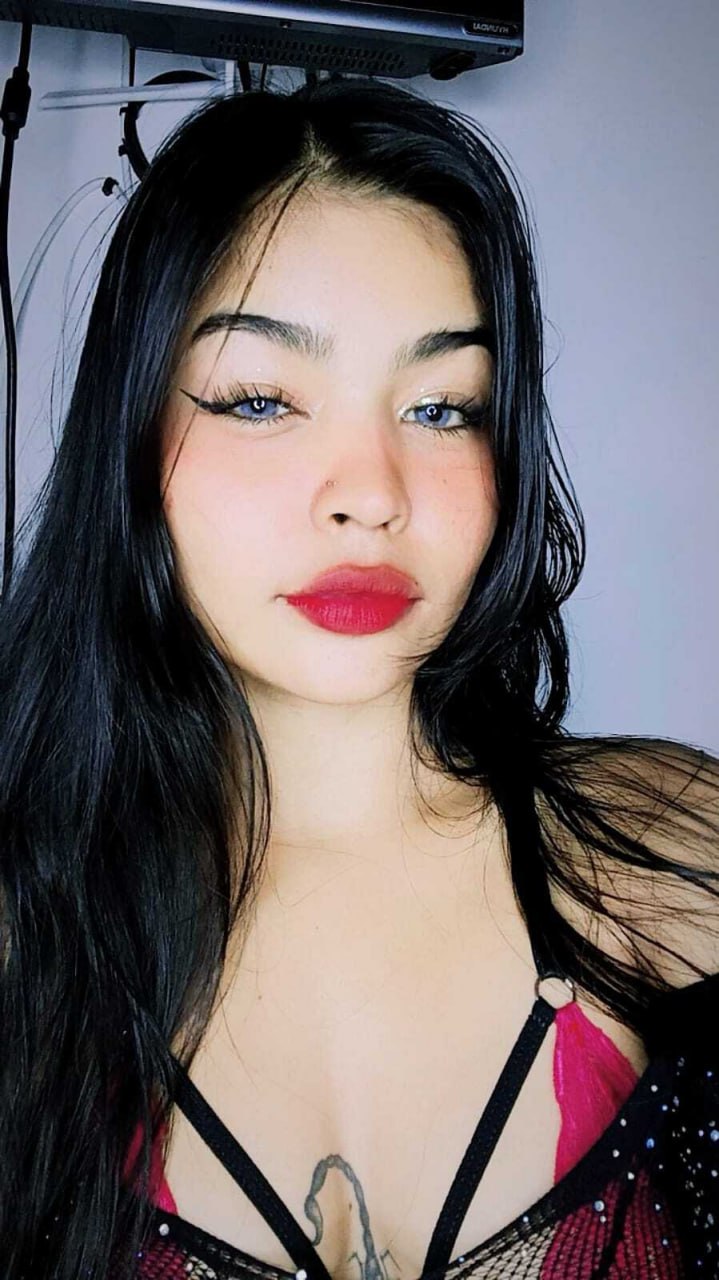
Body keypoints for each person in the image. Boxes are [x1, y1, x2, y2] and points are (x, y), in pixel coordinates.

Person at [0, 73, 717, 1280]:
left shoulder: (673, 861)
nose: (371, 493)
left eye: (440, 408)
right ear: (131, 432)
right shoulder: (25, 934)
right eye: (261, 399)